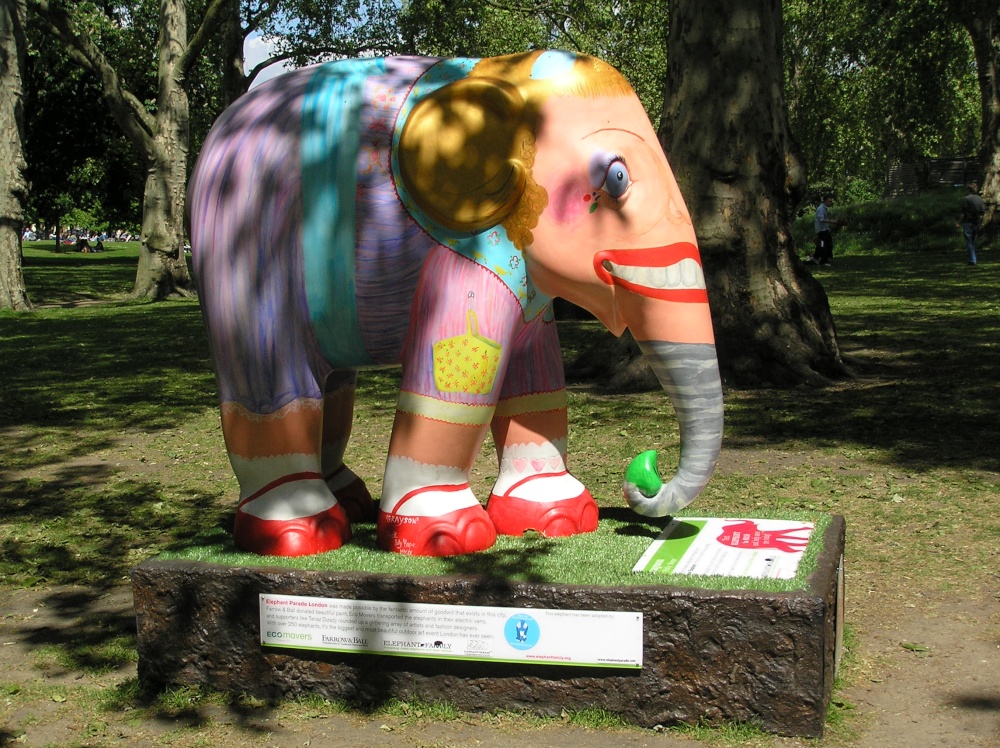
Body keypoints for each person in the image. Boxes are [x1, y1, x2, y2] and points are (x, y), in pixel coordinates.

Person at [805, 195, 843, 266]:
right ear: (825, 201)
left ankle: (818, 258)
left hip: (824, 229)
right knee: (827, 245)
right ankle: (823, 261)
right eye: (829, 201)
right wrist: (833, 221)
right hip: (822, 230)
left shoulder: (824, 208)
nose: (830, 203)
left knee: (825, 244)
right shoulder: (821, 209)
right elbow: (821, 220)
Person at [958, 182, 985, 266]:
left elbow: (963, 213)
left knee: (968, 242)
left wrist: (959, 222)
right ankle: (971, 258)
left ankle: (973, 259)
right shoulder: (979, 199)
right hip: (976, 222)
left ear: (968, 190)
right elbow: (982, 212)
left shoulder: (966, 199)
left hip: (968, 222)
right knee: (972, 241)